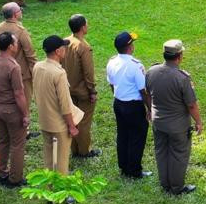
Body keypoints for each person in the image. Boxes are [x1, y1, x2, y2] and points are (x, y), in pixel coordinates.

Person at [145, 39, 203, 195]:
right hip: (178, 126)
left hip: (158, 122)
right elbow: (191, 105)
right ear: (179, 56)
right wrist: (198, 121)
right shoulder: (182, 78)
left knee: (161, 151)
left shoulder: (151, 72)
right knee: (178, 154)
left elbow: (148, 94)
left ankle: (165, 184)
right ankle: (177, 187)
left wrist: (149, 110)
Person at [0, 32, 29, 188]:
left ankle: (2, 172)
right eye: (15, 43)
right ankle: (15, 178)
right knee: (18, 144)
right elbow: (19, 93)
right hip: (11, 110)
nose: (17, 45)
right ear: (11, 46)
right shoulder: (13, 66)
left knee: (3, 140)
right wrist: (25, 114)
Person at [34, 35, 81, 175]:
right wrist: (71, 126)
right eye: (63, 47)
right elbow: (65, 104)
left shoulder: (37, 66)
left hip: (45, 121)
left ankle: (49, 187)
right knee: (60, 162)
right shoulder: (59, 73)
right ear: (58, 51)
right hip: (59, 125)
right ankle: (59, 189)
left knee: (49, 160)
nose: (65, 49)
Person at [106, 31, 150, 179]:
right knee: (137, 136)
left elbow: (112, 84)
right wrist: (149, 108)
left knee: (123, 134)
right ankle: (134, 170)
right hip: (134, 106)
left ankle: (124, 166)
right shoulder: (135, 65)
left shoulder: (112, 62)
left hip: (118, 103)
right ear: (130, 47)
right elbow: (143, 90)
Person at [63, 14, 99, 159]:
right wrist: (92, 91)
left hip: (68, 89)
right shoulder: (83, 46)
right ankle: (84, 151)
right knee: (83, 122)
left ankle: (74, 150)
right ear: (83, 27)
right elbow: (88, 72)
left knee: (72, 119)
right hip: (82, 91)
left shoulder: (65, 42)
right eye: (87, 24)